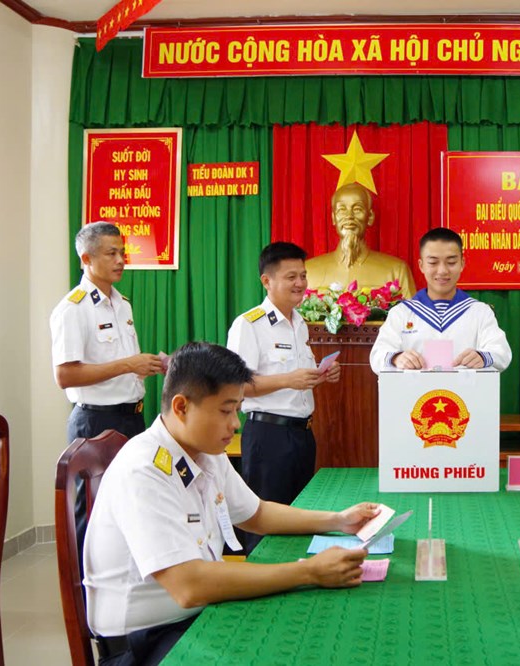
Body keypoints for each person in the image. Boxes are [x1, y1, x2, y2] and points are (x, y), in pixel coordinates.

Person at [84, 342, 377, 666]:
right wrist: (308, 572)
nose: (236, 423)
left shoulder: (205, 451)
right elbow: (189, 586)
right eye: (225, 411)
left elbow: (257, 514)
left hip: (195, 617)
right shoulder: (145, 470)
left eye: (237, 409)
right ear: (181, 407)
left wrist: (338, 520)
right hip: (144, 643)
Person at [50, 221, 165, 565]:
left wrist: (147, 365)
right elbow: (65, 375)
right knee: (93, 510)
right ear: (86, 258)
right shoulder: (73, 308)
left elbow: (117, 363)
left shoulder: (121, 304)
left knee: (128, 504)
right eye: (111, 253)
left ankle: (121, 581)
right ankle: (84, 591)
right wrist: (129, 364)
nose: (120, 260)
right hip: (96, 421)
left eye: (122, 252)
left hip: (130, 418)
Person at [227, 242, 341, 553]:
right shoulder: (249, 324)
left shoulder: (300, 323)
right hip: (268, 437)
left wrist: (321, 374)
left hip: (302, 435)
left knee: (297, 521)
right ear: (267, 281)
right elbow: (236, 386)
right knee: (266, 526)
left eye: (303, 276)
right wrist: (288, 380)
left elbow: (297, 381)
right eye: (291, 277)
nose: (300, 283)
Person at [369, 228, 511, 373]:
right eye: (433, 262)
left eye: (451, 262)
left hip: (465, 388)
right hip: (415, 388)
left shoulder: (480, 312)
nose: (442, 270)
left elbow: (502, 353)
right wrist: (396, 358)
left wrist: (483, 357)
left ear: (462, 264)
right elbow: (377, 356)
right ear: (421, 265)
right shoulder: (401, 313)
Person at [305, 182, 417, 292]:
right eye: (342, 210)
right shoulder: (308, 271)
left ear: (370, 217)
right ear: (333, 218)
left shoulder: (396, 271)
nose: (349, 216)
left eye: (357, 209)